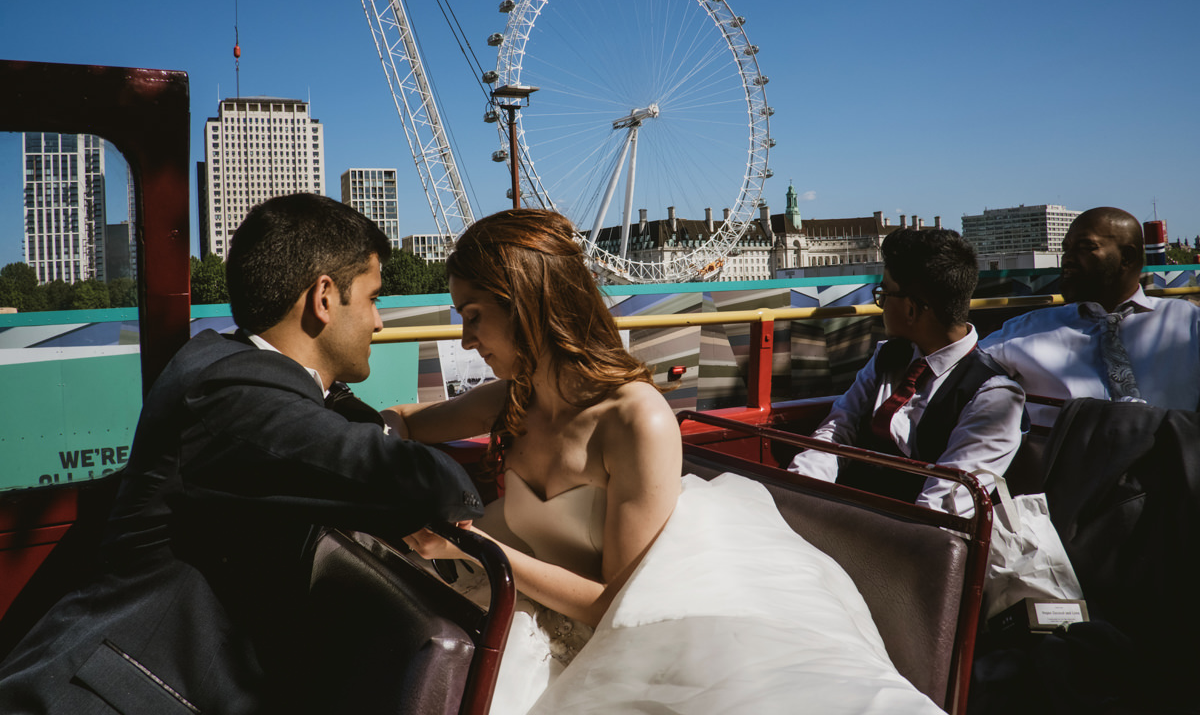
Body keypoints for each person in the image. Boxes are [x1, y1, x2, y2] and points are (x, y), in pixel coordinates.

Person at [387, 208, 945, 715]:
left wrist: (472, 544)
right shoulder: (517, 395)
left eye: (475, 316)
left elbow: (611, 604)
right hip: (530, 605)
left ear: (528, 306)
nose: (464, 338)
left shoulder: (636, 420)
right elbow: (406, 421)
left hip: (619, 636)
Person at [0, 193, 484, 715]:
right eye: (372, 299)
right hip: (122, 694)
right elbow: (422, 483)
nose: (379, 323)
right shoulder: (234, 393)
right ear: (324, 297)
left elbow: (350, 431)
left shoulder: (229, 360)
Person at [788, 228, 1025, 515]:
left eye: (884, 294)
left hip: (901, 540)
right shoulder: (888, 356)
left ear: (911, 310)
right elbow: (840, 427)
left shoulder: (994, 398)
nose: (881, 304)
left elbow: (938, 511)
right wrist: (796, 493)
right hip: (846, 514)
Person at [979, 206, 1200, 429]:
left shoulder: (1190, 324)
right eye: (1066, 249)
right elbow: (955, 376)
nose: (1068, 259)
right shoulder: (1023, 331)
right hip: (1061, 461)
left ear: (1128, 257)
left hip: (1172, 459)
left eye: (1086, 248)